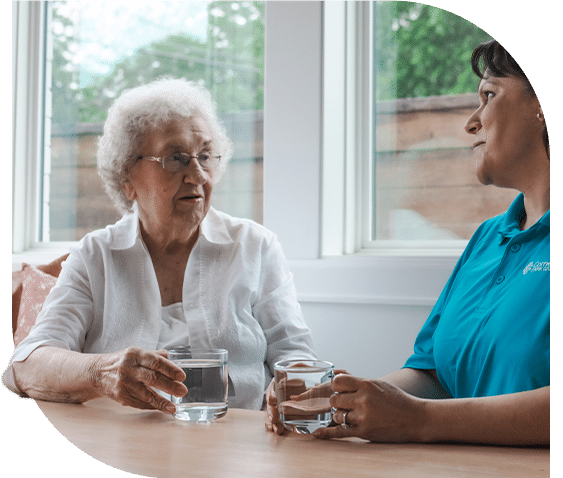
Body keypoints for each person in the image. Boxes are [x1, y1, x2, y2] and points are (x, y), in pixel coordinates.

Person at [266, 40, 549, 445]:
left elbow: (424, 412)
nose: (472, 122)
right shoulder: (489, 238)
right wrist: (345, 403)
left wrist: (421, 420)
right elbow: (432, 374)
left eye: (489, 95)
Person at [4, 78, 317, 414]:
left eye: (206, 156)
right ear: (127, 179)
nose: (198, 174)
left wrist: (300, 387)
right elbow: (25, 365)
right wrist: (101, 372)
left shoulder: (256, 247)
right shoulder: (95, 256)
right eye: (176, 158)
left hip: (236, 449)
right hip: (119, 450)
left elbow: (295, 353)